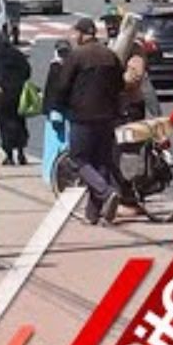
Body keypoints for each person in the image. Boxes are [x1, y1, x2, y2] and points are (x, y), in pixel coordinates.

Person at [54, 18, 125, 225]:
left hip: (83, 116)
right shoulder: (110, 55)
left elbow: (62, 85)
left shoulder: (77, 56)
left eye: (75, 33)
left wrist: (59, 107)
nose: (73, 37)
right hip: (108, 115)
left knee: (79, 158)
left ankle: (105, 192)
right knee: (101, 160)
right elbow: (119, 84)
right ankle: (94, 213)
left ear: (83, 34)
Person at [0, 32, 32, 166]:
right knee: (19, 122)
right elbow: (27, 71)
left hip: (1, 95)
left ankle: (9, 155)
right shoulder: (17, 54)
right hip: (18, 93)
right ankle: (21, 152)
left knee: (4, 124)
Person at [41, 41, 72, 184]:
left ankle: (52, 174)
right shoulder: (57, 67)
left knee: (57, 143)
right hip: (58, 111)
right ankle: (53, 175)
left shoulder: (57, 66)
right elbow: (55, 92)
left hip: (55, 111)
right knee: (59, 143)